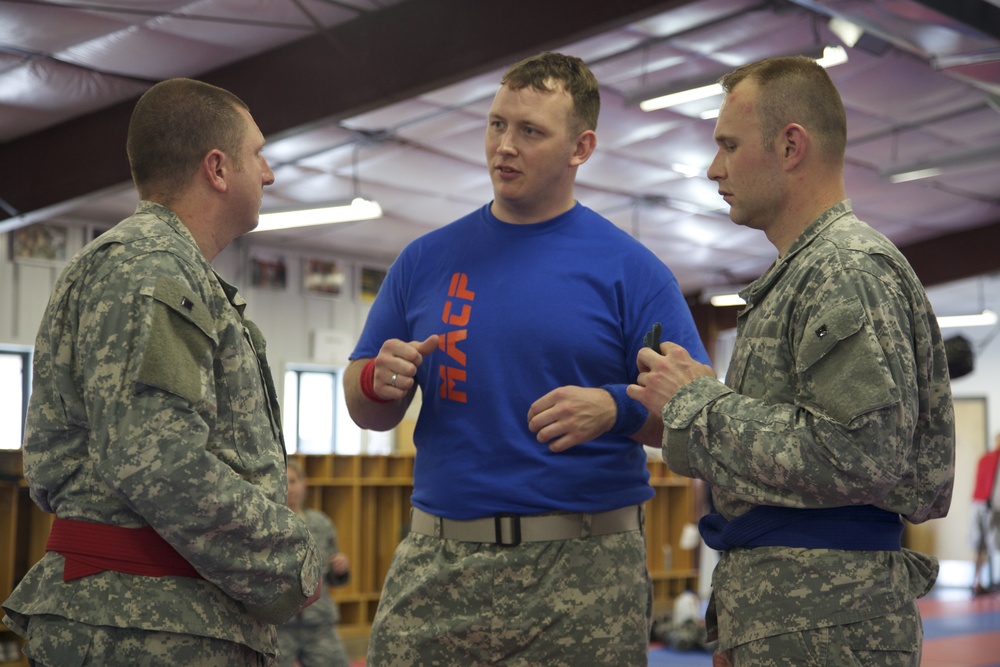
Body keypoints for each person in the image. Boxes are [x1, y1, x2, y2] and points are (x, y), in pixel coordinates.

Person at [344, 51, 709, 666]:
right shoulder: (425, 259)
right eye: (496, 125)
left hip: (584, 573)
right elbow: (364, 406)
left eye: (530, 131)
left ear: (580, 147)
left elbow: (696, 419)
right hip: (440, 561)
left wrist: (615, 408)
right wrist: (379, 382)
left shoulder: (633, 273)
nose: (503, 147)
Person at [627, 55, 955, 666]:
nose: (713, 168)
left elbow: (858, 454)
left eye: (729, 144)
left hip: (826, 623)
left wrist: (696, 403)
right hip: (793, 617)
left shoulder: (844, 268)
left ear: (790, 146)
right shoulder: (803, 272)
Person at [2, 78, 322, 667]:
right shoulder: (152, 268)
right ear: (217, 169)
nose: (270, 173)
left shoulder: (166, 268)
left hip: (161, 619)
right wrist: (287, 558)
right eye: (259, 154)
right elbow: (158, 458)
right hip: (144, 628)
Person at [277, 459, 352, 667]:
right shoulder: (270, 524)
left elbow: (334, 578)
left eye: (293, 481)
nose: (289, 488)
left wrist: (341, 569)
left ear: (304, 483)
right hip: (278, 624)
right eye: (284, 482)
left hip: (318, 623)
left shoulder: (321, 523)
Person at [971, 434, 1000, 595]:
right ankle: (979, 581)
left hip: (978, 504)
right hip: (990, 506)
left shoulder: (984, 458)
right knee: (991, 544)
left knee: (981, 544)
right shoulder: (990, 459)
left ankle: (977, 581)